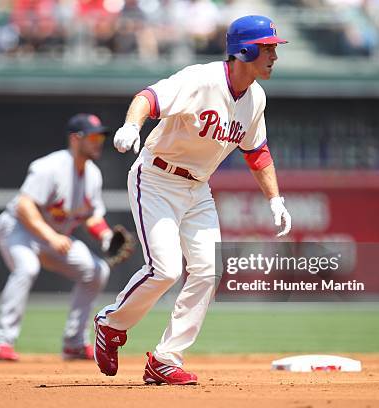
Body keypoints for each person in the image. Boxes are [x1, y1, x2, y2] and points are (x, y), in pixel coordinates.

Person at [93, 15, 292, 385]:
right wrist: (132, 126)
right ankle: (110, 323)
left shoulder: (256, 98)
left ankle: (166, 358)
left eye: (273, 48)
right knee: (165, 269)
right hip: (156, 177)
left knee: (208, 269)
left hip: (198, 187)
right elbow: (148, 98)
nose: (273, 56)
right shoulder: (201, 80)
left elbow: (257, 152)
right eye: (267, 48)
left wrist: (275, 200)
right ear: (244, 50)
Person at [0, 113, 114, 361]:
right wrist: (49, 235)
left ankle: (75, 342)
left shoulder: (93, 175)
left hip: (53, 236)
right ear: (75, 139)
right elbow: (25, 206)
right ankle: (2, 342)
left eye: (100, 136)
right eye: (92, 136)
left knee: (97, 272)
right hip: (18, 228)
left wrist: (106, 235)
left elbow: (91, 216)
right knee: (27, 267)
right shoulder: (50, 167)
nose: (98, 141)